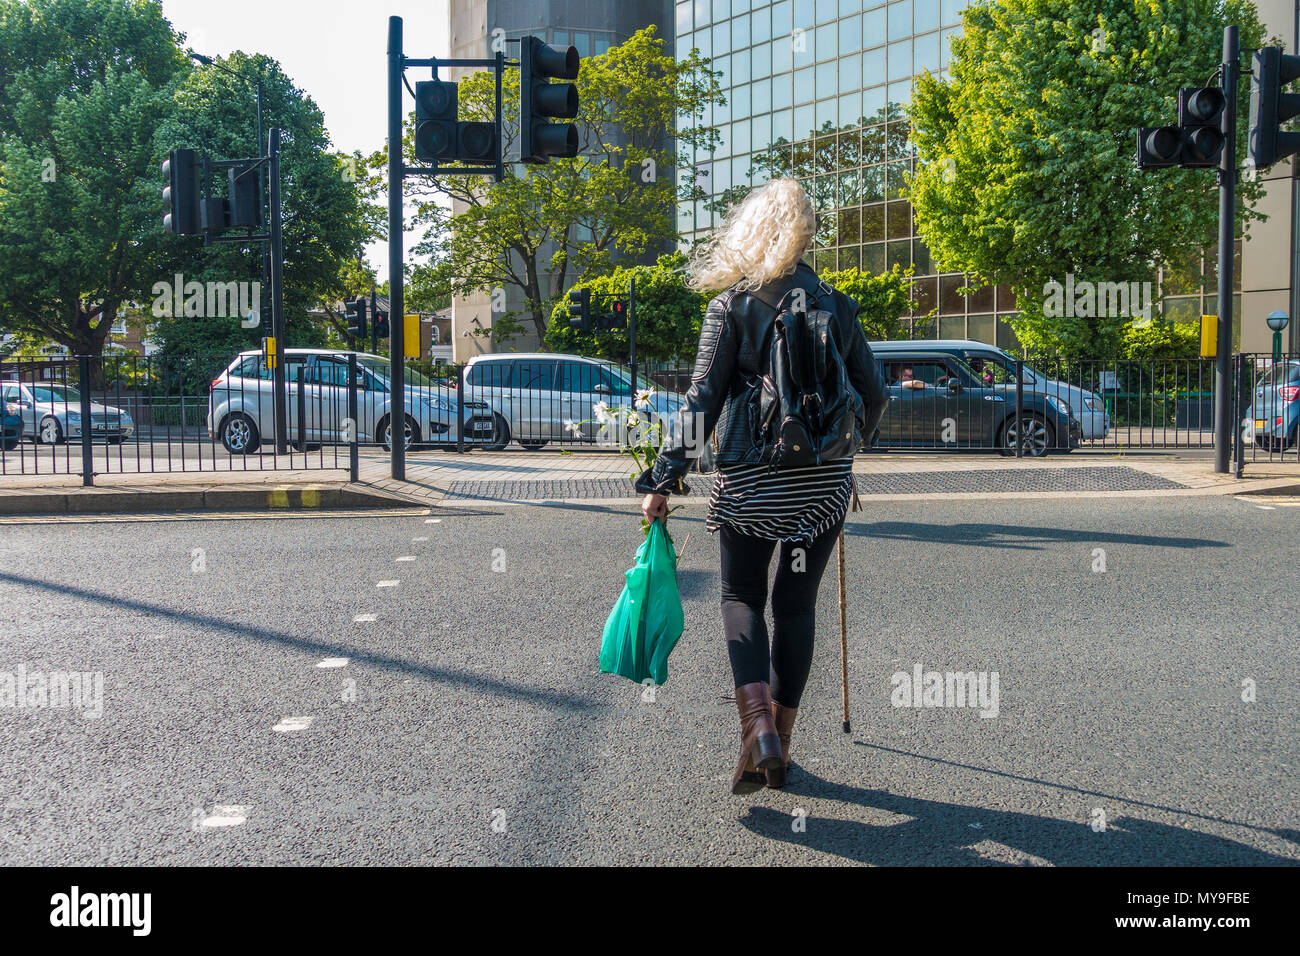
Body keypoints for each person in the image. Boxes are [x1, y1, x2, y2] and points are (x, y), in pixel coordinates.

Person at [635, 177, 888, 795]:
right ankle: (783, 738)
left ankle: (757, 732)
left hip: (751, 483)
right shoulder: (836, 303)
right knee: (795, 606)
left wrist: (665, 478)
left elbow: (703, 400)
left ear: (749, 232)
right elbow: (874, 394)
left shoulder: (731, 306)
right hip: (821, 487)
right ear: (803, 233)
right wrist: (848, 454)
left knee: (741, 596)